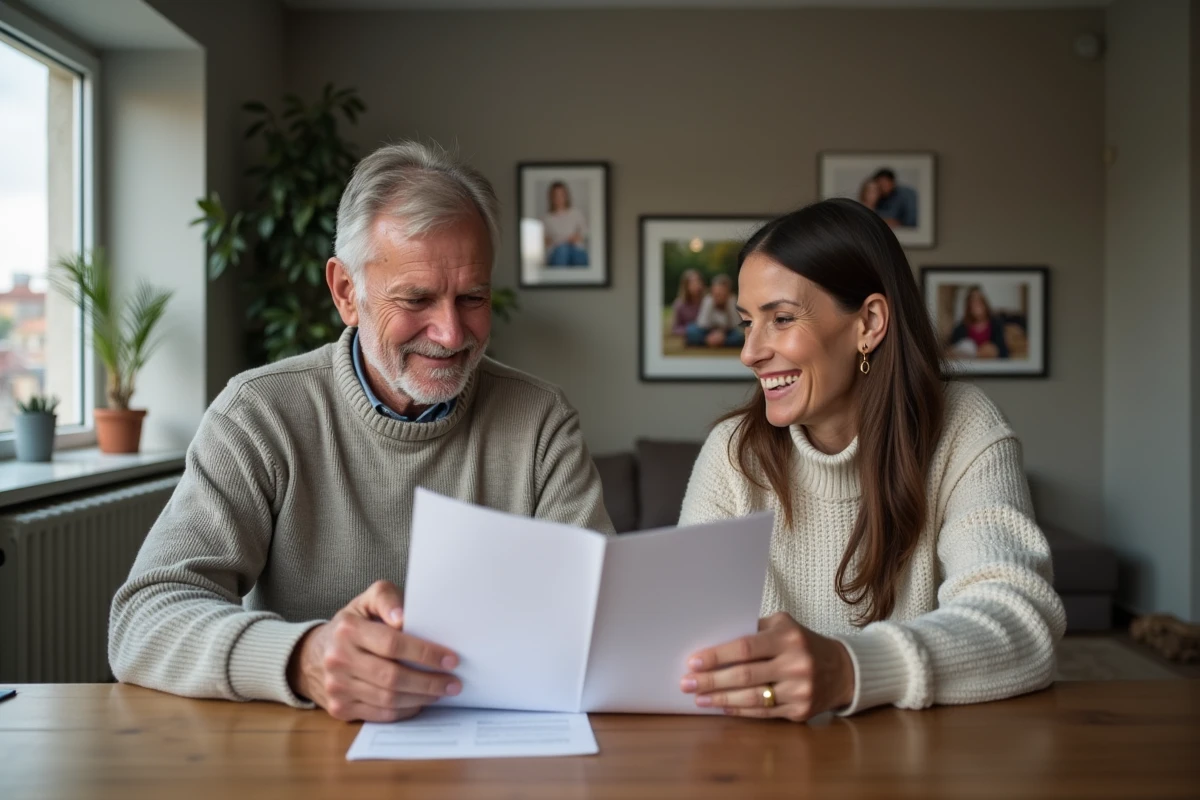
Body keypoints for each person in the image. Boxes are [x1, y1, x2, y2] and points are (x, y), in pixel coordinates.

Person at [108, 141, 614, 723]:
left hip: (493, 752)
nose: (451, 334)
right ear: (347, 292)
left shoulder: (541, 421)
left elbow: (597, 617)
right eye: (417, 298)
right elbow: (143, 619)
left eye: (472, 297)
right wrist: (303, 657)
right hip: (302, 758)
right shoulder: (257, 414)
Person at [677, 198, 1064, 722]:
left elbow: (1021, 622)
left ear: (870, 322)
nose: (749, 352)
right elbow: (682, 645)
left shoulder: (965, 428)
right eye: (748, 324)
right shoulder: (732, 455)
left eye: (781, 319)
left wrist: (848, 669)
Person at [947, 286, 1010, 359]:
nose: (976, 304)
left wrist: (994, 351)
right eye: (973, 301)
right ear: (969, 306)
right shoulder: (960, 328)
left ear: (985, 303)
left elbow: (1004, 352)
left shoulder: (996, 324)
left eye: (979, 300)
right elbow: (950, 350)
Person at [685, 273, 745, 348]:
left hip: (727, 333)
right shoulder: (708, 300)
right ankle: (713, 342)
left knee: (740, 335)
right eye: (716, 293)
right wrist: (712, 335)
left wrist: (722, 334)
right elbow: (702, 323)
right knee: (691, 330)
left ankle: (716, 342)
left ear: (728, 293)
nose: (718, 296)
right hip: (708, 332)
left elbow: (736, 325)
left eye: (721, 293)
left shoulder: (732, 301)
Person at [541, 181, 589, 266]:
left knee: (577, 253)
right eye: (556, 195)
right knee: (563, 250)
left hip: (575, 249)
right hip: (557, 251)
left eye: (561, 195)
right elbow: (543, 240)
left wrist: (577, 237)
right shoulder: (546, 218)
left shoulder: (576, 213)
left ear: (566, 196)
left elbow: (585, 232)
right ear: (551, 197)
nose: (559, 198)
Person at [670, 269, 707, 336]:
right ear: (685, 286)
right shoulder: (679, 304)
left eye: (698, 281)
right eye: (692, 282)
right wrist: (690, 330)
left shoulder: (707, 301)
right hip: (691, 333)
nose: (696, 285)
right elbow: (675, 328)